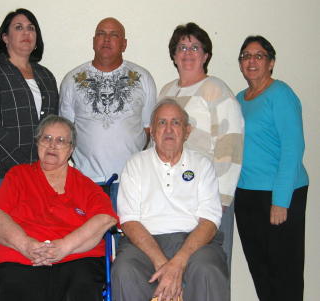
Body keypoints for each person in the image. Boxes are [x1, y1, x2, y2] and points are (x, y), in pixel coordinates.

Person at [0, 8, 59, 300]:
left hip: (32, 179)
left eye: (31, 27)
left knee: (26, 246)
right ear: (5, 37)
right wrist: (23, 168)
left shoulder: (45, 75)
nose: (26, 33)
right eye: (18, 27)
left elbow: (53, 129)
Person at [0, 115, 118, 301]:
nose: (52, 145)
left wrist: (64, 247)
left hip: (77, 260)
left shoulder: (85, 185)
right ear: (38, 143)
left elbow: (105, 218)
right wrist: (26, 245)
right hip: (21, 259)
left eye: (61, 140)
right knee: (18, 289)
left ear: (71, 149)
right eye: (46, 138)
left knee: (81, 290)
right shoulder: (18, 176)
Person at [112, 98, 229, 301]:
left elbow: (209, 222)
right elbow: (129, 221)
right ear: (153, 131)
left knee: (208, 269)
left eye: (175, 122)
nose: (168, 129)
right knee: (124, 270)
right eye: (162, 122)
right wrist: (162, 263)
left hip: (193, 243)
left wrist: (178, 263)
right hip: (144, 244)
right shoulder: (136, 164)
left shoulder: (202, 165)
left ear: (187, 131)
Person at [158, 22, 243, 276]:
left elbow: (231, 143)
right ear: (174, 55)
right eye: (182, 47)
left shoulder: (216, 89)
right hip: (174, 198)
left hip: (211, 196)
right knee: (178, 268)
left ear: (206, 55)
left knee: (211, 268)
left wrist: (222, 198)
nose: (188, 52)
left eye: (195, 47)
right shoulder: (166, 92)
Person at [235, 36, 309, 301]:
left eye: (258, 55)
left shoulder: (281, 94)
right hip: (247, 196)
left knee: (284, 274)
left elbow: (293, 149)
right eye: (245, 56)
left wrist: (280, 201)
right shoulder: (239, 100)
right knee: (260, 270)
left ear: (271, 63)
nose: (251, 61)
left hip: (280, 194)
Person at [59, 17, 156, 208]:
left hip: (131, 181)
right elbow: (65, 132)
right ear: (93, 41)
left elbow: (148, 129)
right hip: (86, 181)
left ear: (124, 44)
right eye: (101, 34)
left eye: (114, 35)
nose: (106, 39)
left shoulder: (142, 78)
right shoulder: (72, 79)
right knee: (90, 238)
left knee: (127, 237)